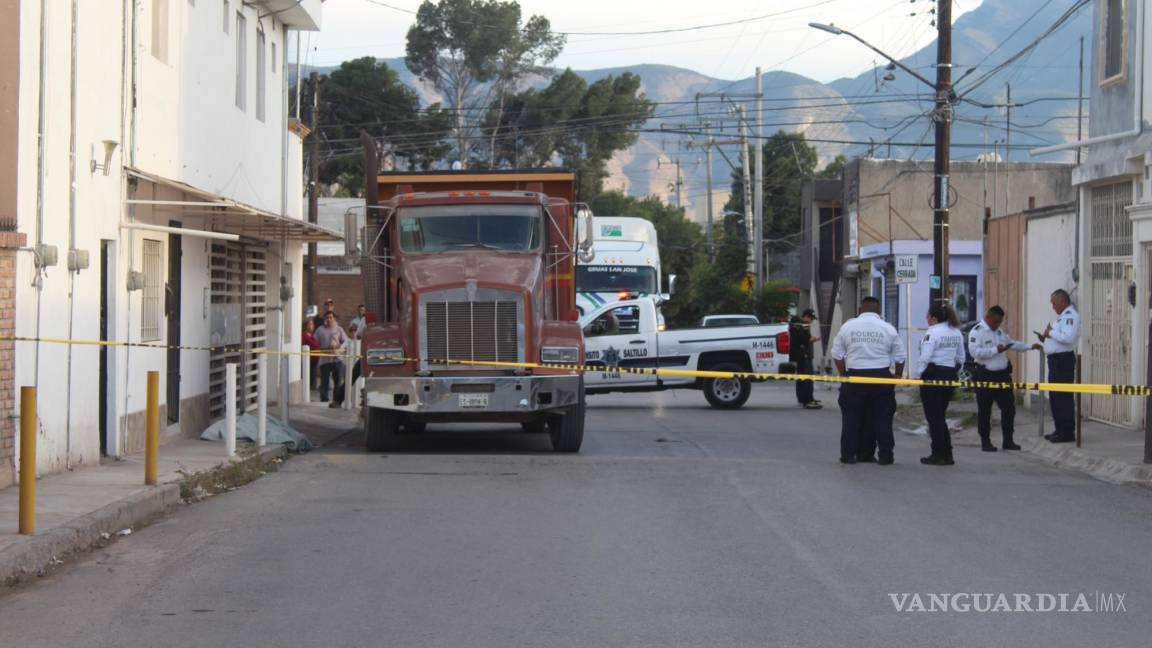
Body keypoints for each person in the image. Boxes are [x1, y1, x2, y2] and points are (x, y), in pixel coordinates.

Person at [830, 296, 906, 465]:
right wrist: (896, 377)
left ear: (860, 310)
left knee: (851, 419)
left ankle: (848, 455)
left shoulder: (848, 327)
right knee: (882, 419)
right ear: (878, 311)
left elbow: (836, 354)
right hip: (881, 377)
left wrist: (844, 375)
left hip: (855, 376)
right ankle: (885, 455)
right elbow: (900, 357)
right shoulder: (888, 328)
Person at [968, 305, 1034, 452]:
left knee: (1009, 409)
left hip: (1002, 376)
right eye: (996, 321)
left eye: (1000, 322)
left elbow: (1012, 344)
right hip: (985, 376)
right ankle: (986, 442)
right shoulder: (977, 332)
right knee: (985, 410)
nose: (997, 324)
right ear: (988, 317)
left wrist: (1030, 346)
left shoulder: (999, 332)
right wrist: (994, 350)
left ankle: (1008, 440)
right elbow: (975, 352)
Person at [916, 301, 966, 466]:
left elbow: (925, 356)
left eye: (928, 316)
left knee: (934, 418)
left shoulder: (932, 332)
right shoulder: (956, 332)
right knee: (940, 416)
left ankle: (938, 454)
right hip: (949, 376)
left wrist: (918, 374)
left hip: (932, 376)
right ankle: (947, 453)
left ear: (933, 317)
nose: (926, 319)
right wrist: (954, 374)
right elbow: (961, 358)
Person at [1033, 288, 1081, 443]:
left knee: (1063, 397)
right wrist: (1045, 338)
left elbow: (1068, 338)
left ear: (1062, 301)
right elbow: (1058, 338)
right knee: (1055, 397)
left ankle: (1067, 432)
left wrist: (1050, 333)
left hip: (1063, 361)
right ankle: (1059, 429)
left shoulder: (1070, 316)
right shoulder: (1061, 318)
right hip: (1055, 361)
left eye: (1054, 303)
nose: (1053, 307)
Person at [789, 309, 822, 409]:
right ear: (807, 316)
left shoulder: (801, 326)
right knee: (808, 378)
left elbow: (804, 339)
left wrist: (809, 340)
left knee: (802, 378)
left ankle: (804, 398)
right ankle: (808, 400)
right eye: (811, 319)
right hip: (803, 356)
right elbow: (803, 339)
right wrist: (810, 340)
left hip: (802, 355)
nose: (812, 321)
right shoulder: (800, 325)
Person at [314, 311, 348, 407]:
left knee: (338, 381)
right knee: (324, 381)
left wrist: (338, 345)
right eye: (327, 318)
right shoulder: (319, 330)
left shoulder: (339, 329)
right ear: (324, 319)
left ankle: (336, 400)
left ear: (334, 318)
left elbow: (346, 341)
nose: (329, 319)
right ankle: (324, 399)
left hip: (337, 359)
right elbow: (314, 342)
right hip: (324, 359)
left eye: (330, 317)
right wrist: (319, 348)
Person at [302, 319, 321, 390]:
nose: (312, 326)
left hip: (314, 361)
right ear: (306, 326)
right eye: (310, 324)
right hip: (308, 360)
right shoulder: (304, 335)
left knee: (312, 377)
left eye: (312, 324)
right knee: (308, 378)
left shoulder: (311, 335)